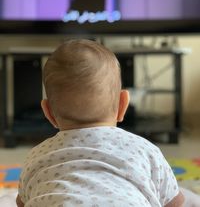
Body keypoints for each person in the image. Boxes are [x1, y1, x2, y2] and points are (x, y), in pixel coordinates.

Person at [16, 39, 185, 207]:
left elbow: (22, 203)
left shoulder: (37, 156)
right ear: (123, 104)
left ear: (47, 112)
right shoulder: (145, 150)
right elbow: (174, 203)